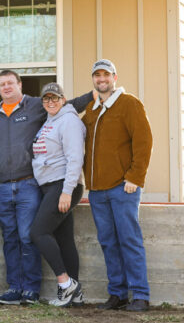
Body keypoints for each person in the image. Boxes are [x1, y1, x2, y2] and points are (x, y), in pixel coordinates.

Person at [0, 70, 93, 305]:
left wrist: (95, 93)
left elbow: (75, 156)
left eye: (10, 83)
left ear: (20, 84)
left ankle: (52, 286)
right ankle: (68, 292)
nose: (6, 87)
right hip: (13, 185)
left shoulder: (48, 111)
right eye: (1, 84)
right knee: (55, 239)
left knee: (33, 234)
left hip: (40, 185)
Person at [83, 59, 153, 312]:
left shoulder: (129, 104)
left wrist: (135, 177)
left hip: (123, 189)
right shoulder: (91, 109)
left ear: (114, 77)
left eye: (106, 75)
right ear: (93, 79)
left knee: (129, 240)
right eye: (97, 75)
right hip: (97, 190)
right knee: (108, 242)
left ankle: (141, 296)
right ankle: (117, 294)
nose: (101, 79)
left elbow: (144, 142)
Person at [29, 83, 86, 307]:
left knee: (38, 232)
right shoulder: (50, 121)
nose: (50, 102)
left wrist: (67, 191)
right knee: (64, 239)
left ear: (63, 99)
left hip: (62, 185)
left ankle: (65, 284)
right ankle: (76, 294)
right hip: (52, 186)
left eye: (55, 98)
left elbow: (75, 158)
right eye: (46, 99)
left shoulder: (69, 121)